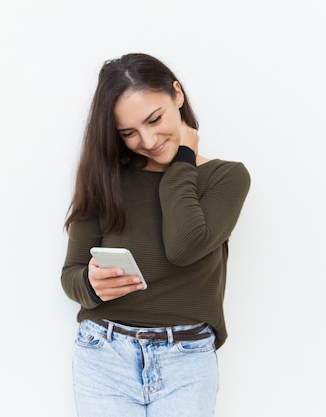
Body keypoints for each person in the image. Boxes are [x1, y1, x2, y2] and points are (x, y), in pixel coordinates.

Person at [60, 53, 250, 417]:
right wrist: (90, 283)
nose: (147, 140)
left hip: (187, 359)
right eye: (128, 133)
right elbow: (70, 274)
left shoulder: (227, 177)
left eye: (154, 119)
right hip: (104, 354)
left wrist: (182, 160)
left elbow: (185, 245)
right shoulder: (106, 179)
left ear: (176, 94)